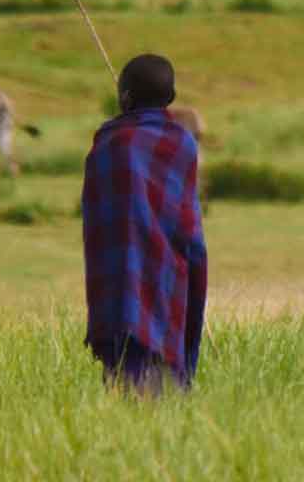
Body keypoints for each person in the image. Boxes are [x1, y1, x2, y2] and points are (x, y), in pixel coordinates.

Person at [81, 54, 208, 393]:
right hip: (170, 286)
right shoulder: (183, 144)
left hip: (119, 294)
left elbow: (99, 227)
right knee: (167, 392)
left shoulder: (108, 144)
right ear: (171, 99)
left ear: (124, 97)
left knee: (125, 387)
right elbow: (189, 226)